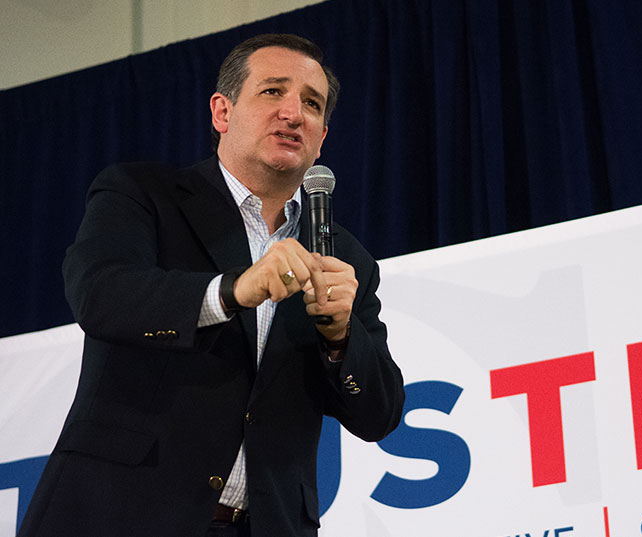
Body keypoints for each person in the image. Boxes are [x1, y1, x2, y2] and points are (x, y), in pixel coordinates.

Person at [18, 34, 405, 537]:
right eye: (272, 91)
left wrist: (340, 338)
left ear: (322, 137)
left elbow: (379, 415)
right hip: (121, 515)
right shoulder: (144, 194)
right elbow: (101, 296)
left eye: (312, 103)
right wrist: (231, 291)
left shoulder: (345, 260)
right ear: (222, 112)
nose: (293, 113)